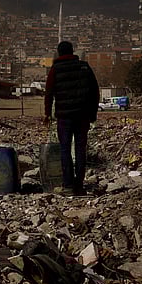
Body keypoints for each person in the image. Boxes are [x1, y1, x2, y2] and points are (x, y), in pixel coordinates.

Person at [44, 41, 100, 196]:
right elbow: (95, 92)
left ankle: (68, 185)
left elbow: (48, 93)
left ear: (59, 53)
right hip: (83, 117)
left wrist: (47, 114)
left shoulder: (55, 70)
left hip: (64, 118)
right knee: (80, 150)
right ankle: (79, 185)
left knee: (65, 149)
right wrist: (92, 114)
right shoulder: (84, 67)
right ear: (72, 51)